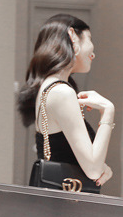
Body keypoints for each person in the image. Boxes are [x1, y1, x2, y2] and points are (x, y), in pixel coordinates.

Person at [17, 14, 116, 188]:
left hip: (57, 199)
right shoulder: (61, 92)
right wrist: (108, 110)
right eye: (89, 38)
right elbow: (93, 169)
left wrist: (102, 166)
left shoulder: (49, 87)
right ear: (72, 36)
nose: (93, 54)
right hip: (65, 201)